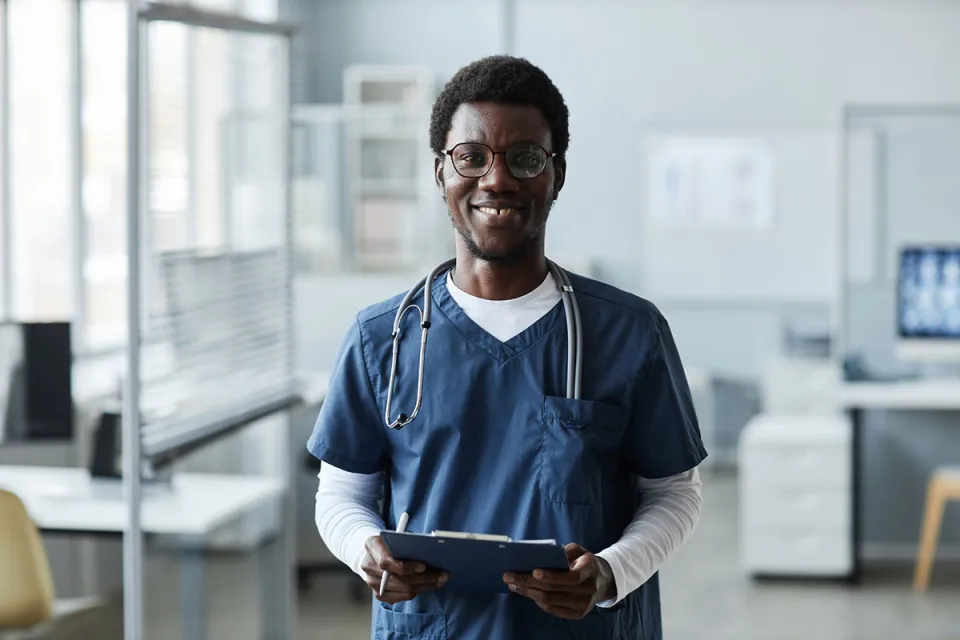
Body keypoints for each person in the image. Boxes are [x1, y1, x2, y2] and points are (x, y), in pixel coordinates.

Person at [308, 55, 706, 640]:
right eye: (471, 157)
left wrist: (609, 574)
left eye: (525, 158)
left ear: (557, 174)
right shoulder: (381, 337)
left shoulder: (628, 333)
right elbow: (341, 492)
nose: (497, 180)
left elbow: (674, 494)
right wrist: (362, 547)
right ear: (441, 172)